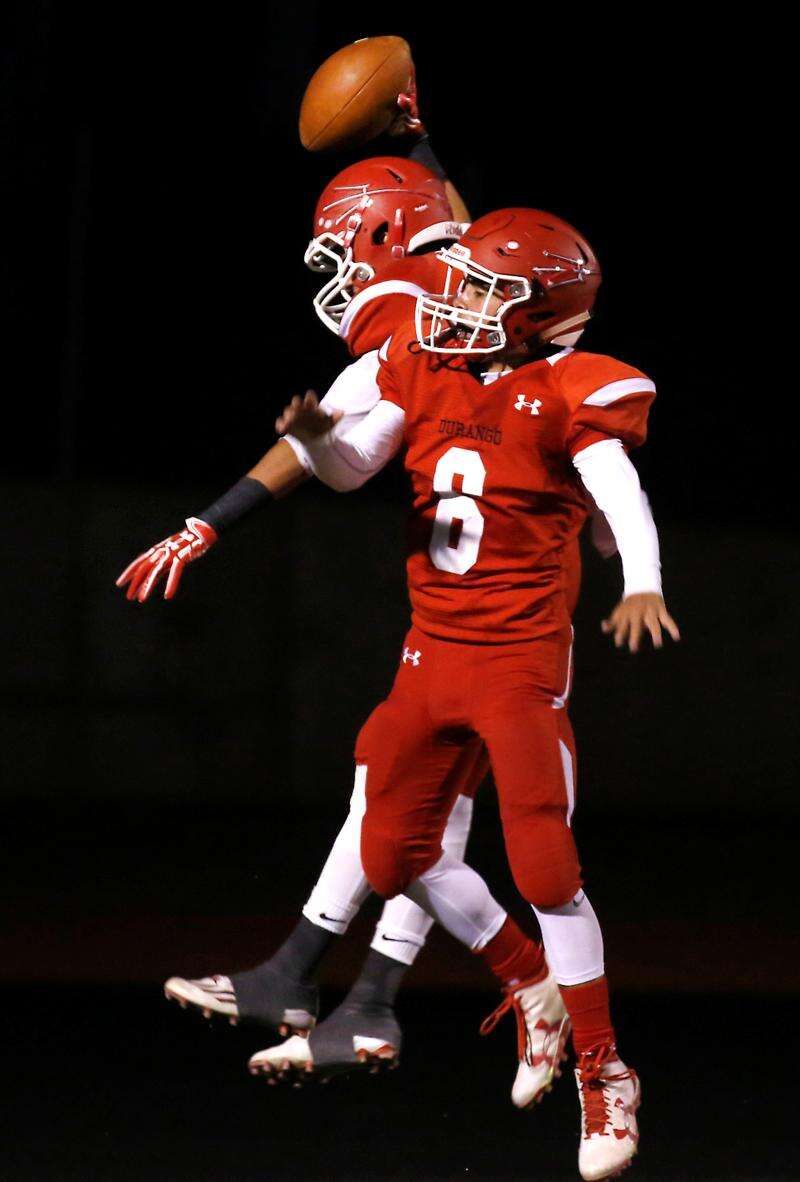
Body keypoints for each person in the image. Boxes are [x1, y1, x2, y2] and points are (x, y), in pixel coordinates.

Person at [117, 151, 575, 1105]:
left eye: (344, 250)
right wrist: (418, 136)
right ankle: (355, 996)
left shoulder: (411, 317)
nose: (339, 273)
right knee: (412, 804)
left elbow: (323, 448)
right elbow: (460, 229)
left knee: (414, 809)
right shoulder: (464, 285)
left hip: (508, 614)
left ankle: (489, 986)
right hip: (471, 598)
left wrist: (211, 521)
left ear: (383, 237)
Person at [269, 207, 679, 1181]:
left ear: (538, 311)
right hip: (431, 654)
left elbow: (616, 489)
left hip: (518, 663)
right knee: (389, 851)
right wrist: (316, 440)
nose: (455, 299)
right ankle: (530, 984)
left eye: (485, 289)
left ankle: (603, 1069)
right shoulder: (428, 369)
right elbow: (351, 468)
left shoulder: (567, 388)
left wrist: (642, 581)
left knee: (545, 868)